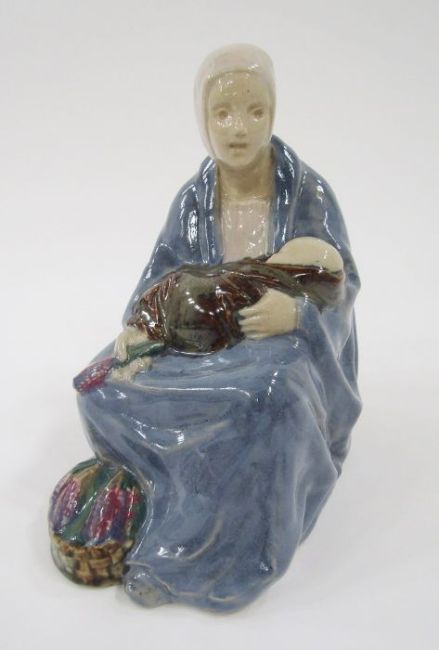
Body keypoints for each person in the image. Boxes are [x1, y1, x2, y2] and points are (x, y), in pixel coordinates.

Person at [76, 43, 362, 612]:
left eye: (255, 111)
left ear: (273, 113)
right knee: (99, 387)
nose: (239, 127)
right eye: (223, 113)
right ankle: (167, 492)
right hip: (197, 338)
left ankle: (220, 551)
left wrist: (297, 316)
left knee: (269, 398)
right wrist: (139, 327)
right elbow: (159, 278)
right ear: (202, 119)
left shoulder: (307, 194)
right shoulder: (193, 201)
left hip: (274, 347)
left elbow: (341, 283)